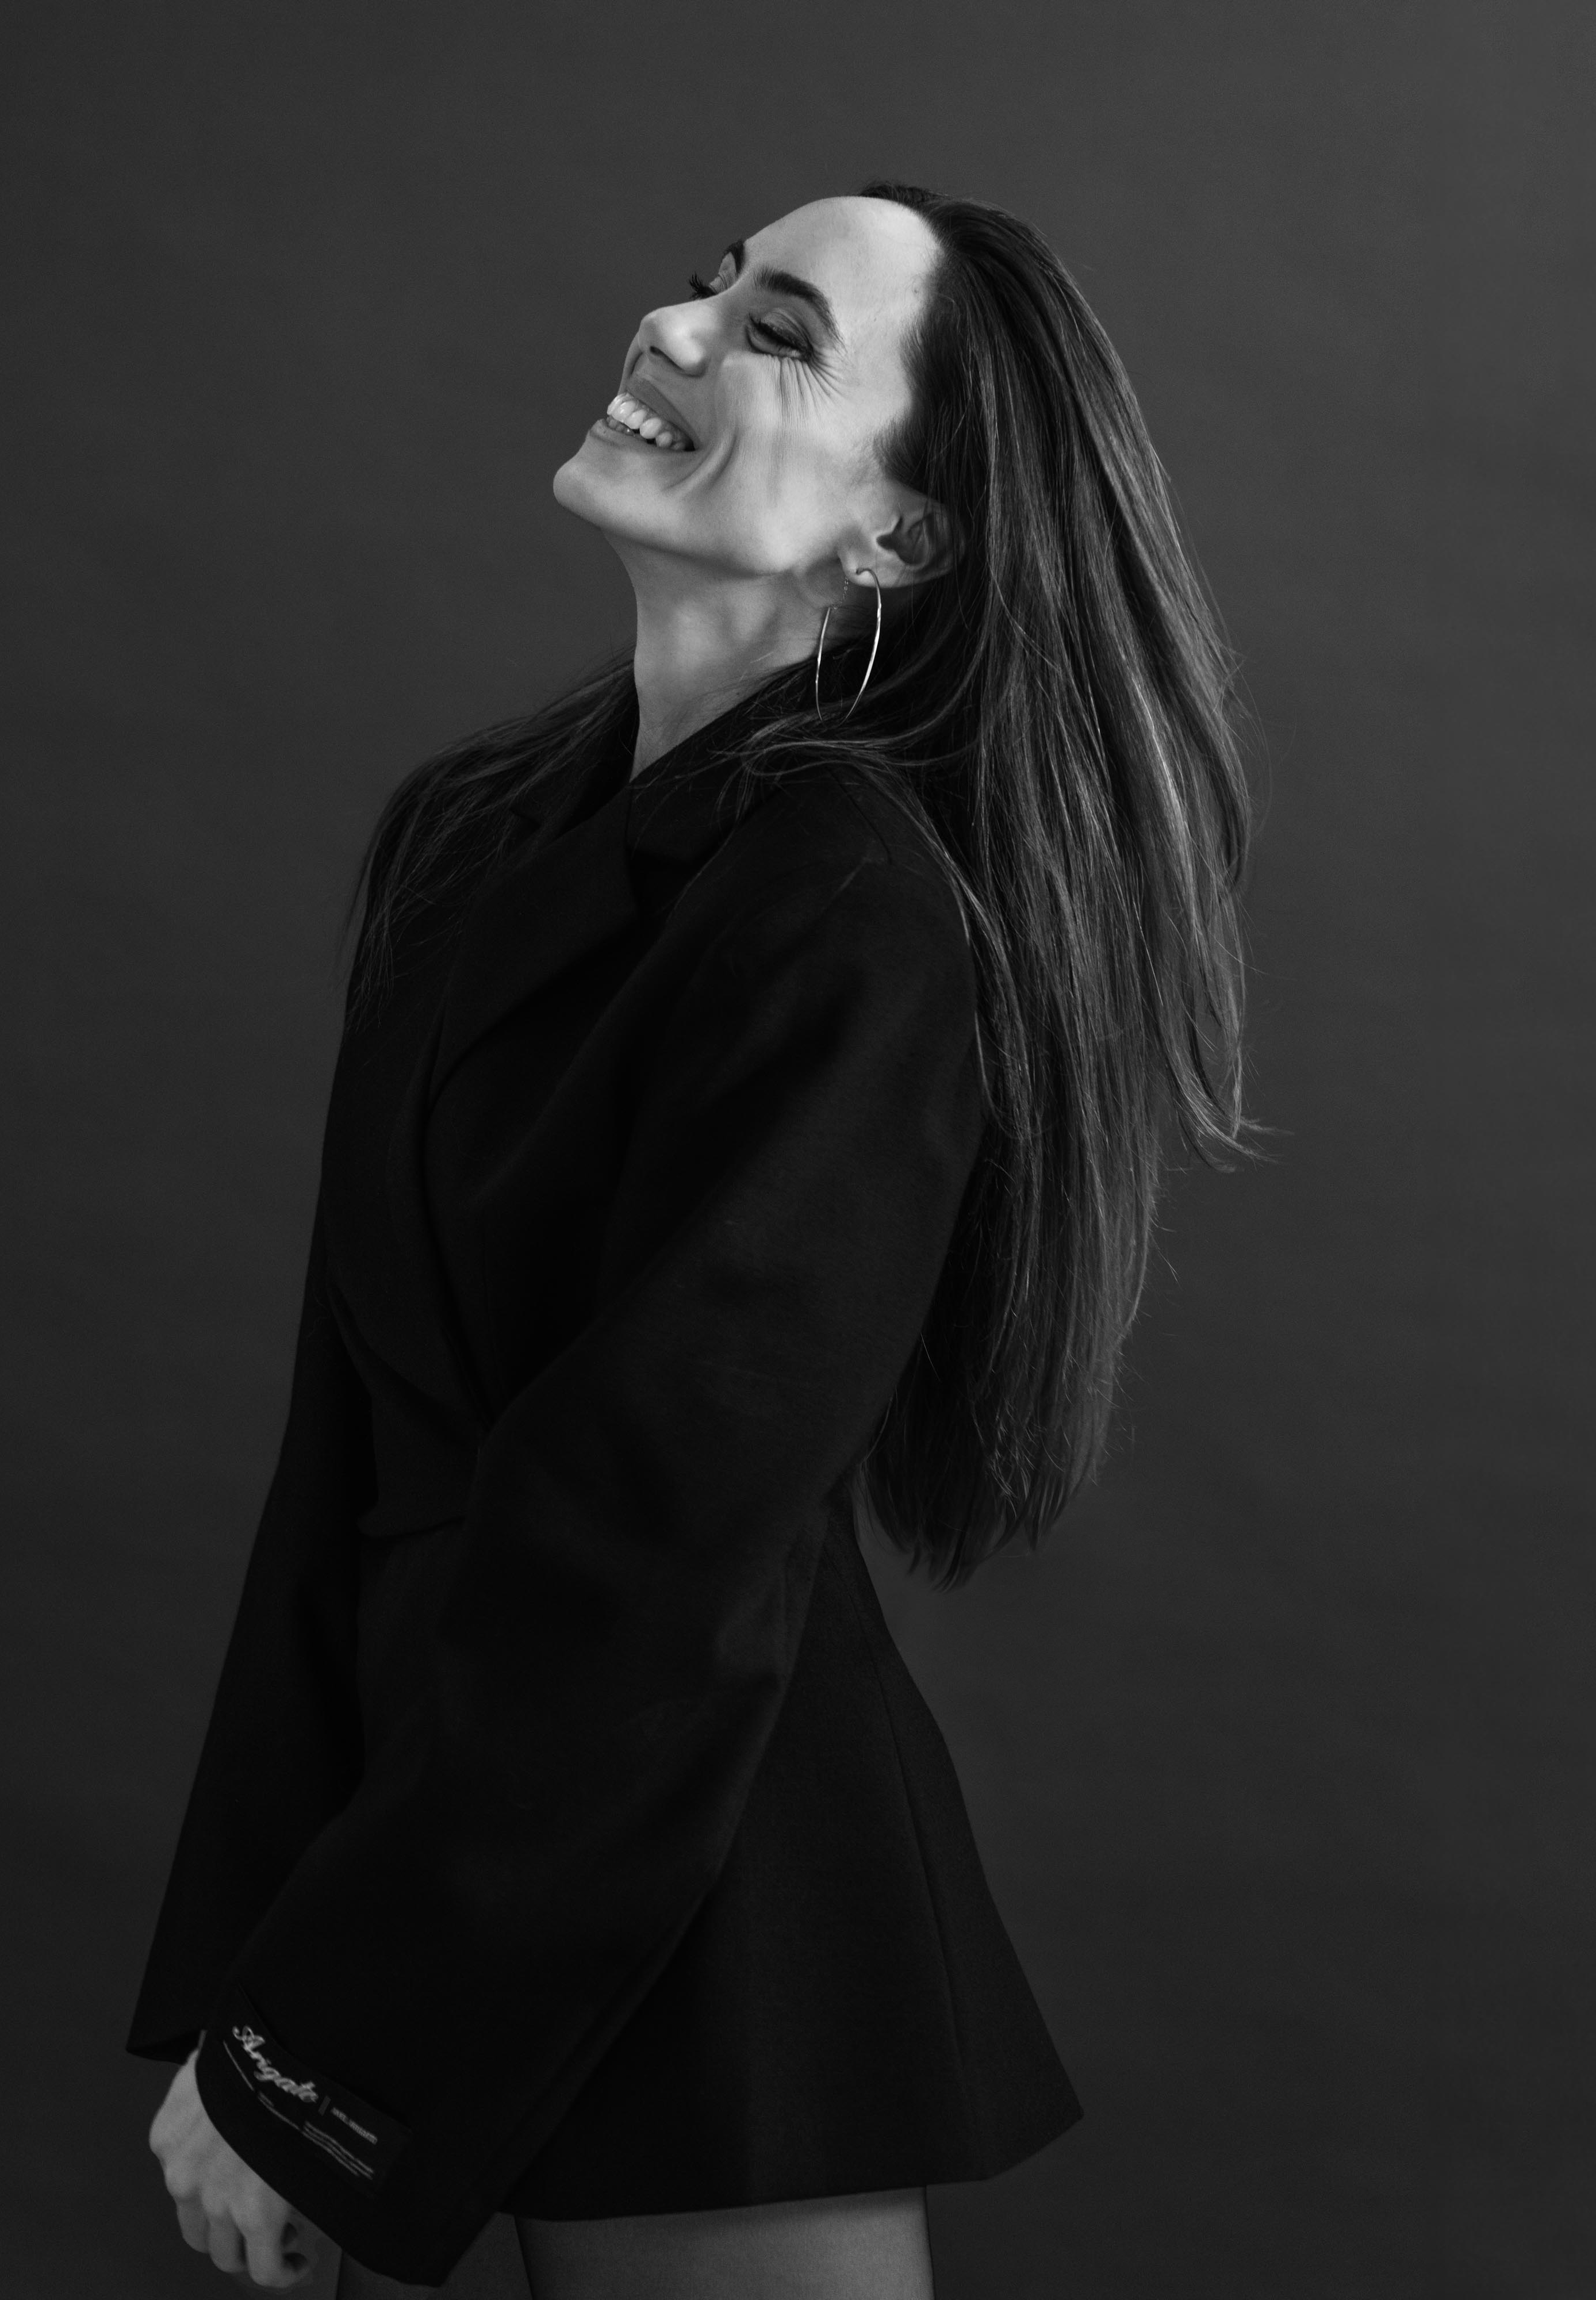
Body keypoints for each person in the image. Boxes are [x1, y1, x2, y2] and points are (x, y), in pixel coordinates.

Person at [131, 183, 1252, 2298]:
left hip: (702, 1875)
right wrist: (261, 1981)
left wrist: (329, 2037)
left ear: (898, 538)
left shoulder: (859, 916)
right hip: (440, 1852)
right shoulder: (473, 841)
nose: (674, 321)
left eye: (783, 332)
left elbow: (656, 1539)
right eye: (716, 279)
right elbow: (346, 1455)